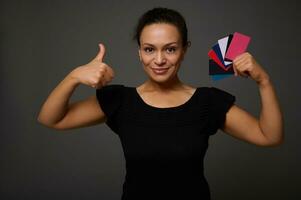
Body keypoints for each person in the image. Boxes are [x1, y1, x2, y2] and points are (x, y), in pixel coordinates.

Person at [37, 7, 284, 200]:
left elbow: (269, 136)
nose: (159, 60)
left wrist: (264, 81)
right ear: (139, 52)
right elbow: (51, 119)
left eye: (170, 49)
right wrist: (74, 77)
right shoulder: (120, 101)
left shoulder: (207, 102)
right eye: (149, 49)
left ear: (184, 50)